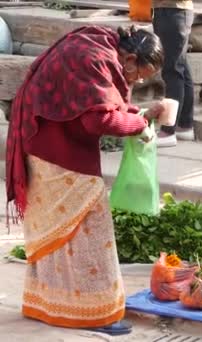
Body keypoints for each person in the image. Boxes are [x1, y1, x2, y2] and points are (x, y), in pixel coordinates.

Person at [5, 26, 164, 335]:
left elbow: (97, 100)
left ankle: (48, 305)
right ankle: (96, 314)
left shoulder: (96, 45)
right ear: (129, 58)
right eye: (140, 75)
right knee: (91, 228)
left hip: (41, 140)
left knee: (60, 230)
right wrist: (139, 124)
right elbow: (98, 118)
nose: (138, 81)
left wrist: (136, 112)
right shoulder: (94, 58)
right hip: (54, 150)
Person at [153, 0, 195, 147]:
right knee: (180, 67)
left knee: (173, 70)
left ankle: (168, 130)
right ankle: (185, 124)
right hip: (171, 10)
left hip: (174, 11)